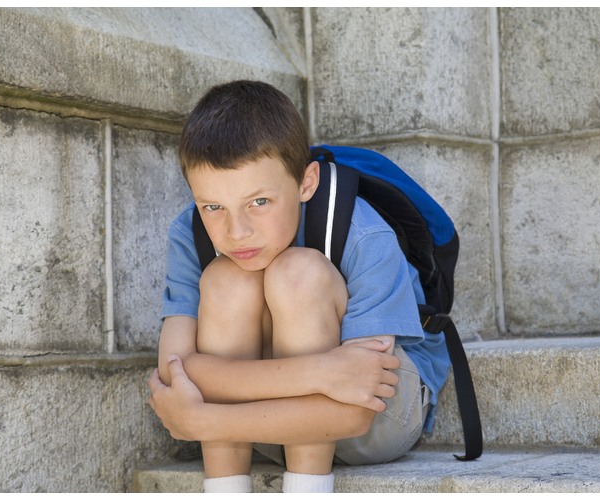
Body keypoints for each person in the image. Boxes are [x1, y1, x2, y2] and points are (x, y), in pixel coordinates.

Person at [148, 80, 450, 493]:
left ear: (306, 183)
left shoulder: (363, 234)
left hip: (377, 421)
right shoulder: (190, 232)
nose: (237, 232)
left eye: (259, 202)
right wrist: (321, 372)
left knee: (297, 273)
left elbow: (356, 411)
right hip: (271, 426)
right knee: (224, 278)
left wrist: (203, 419)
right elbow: (177, 372)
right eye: (213, 207)